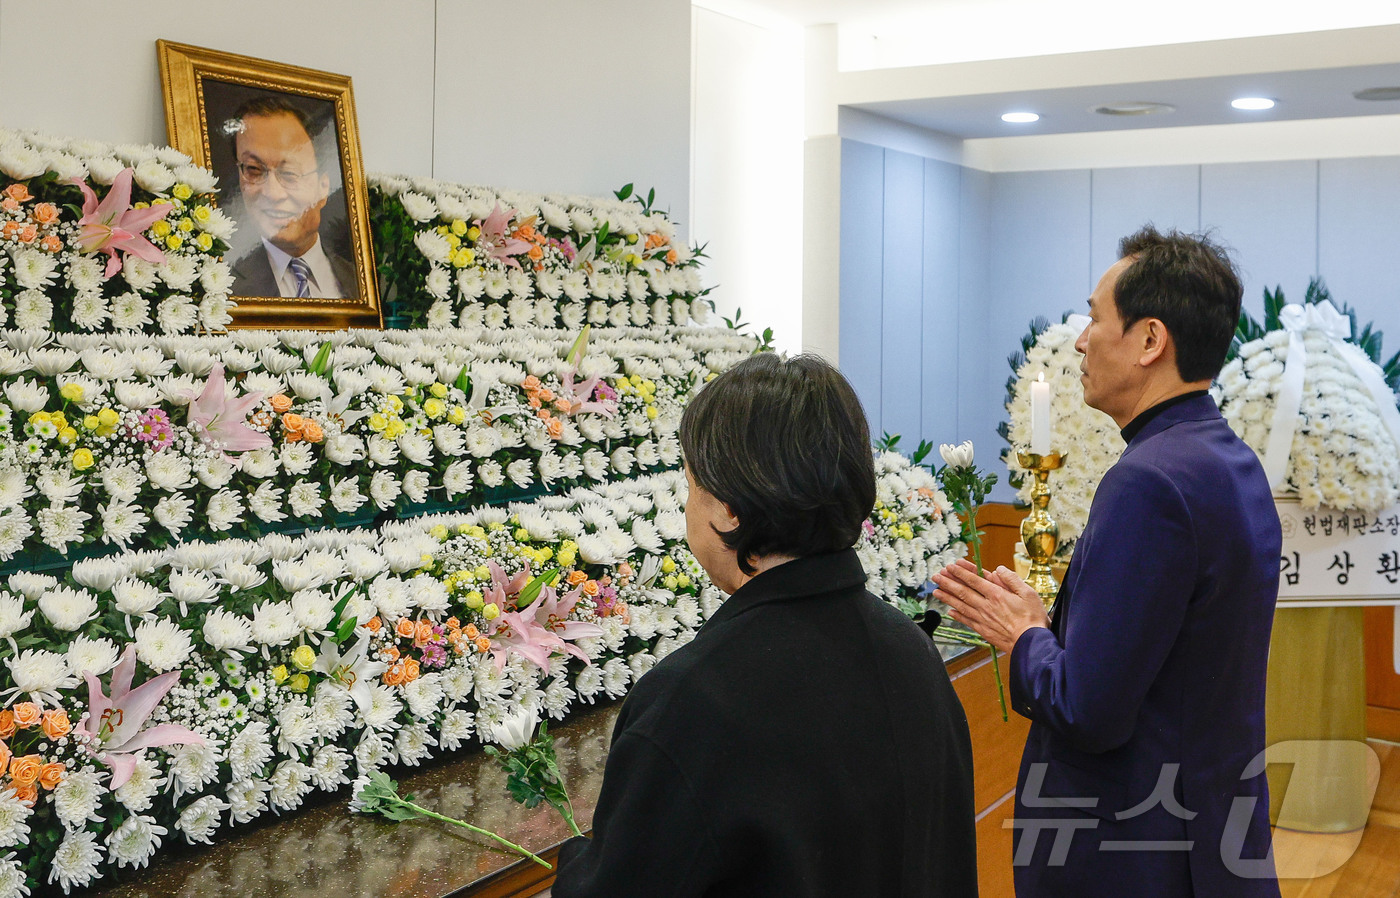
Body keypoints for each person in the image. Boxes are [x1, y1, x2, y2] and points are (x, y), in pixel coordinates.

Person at [932, 225, 1281, 897]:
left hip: (1136, 848)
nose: (1081, 340)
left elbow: (1087, 709)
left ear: (1150, 340)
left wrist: (1024, 635)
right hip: (1210, 829)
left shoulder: (1148, 483)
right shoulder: (1228, 459)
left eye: (1095, 319)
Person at [552, 352, 978, 898]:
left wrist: (579, 861)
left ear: (729, 508)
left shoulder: (696, 699)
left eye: (691, 484)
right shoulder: (910, 648)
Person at [224, 96, 355, 299]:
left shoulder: (364, 282)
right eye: (254, 170)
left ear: (323, 187)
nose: (272, 193)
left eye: (289, 173)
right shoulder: (222, 286)